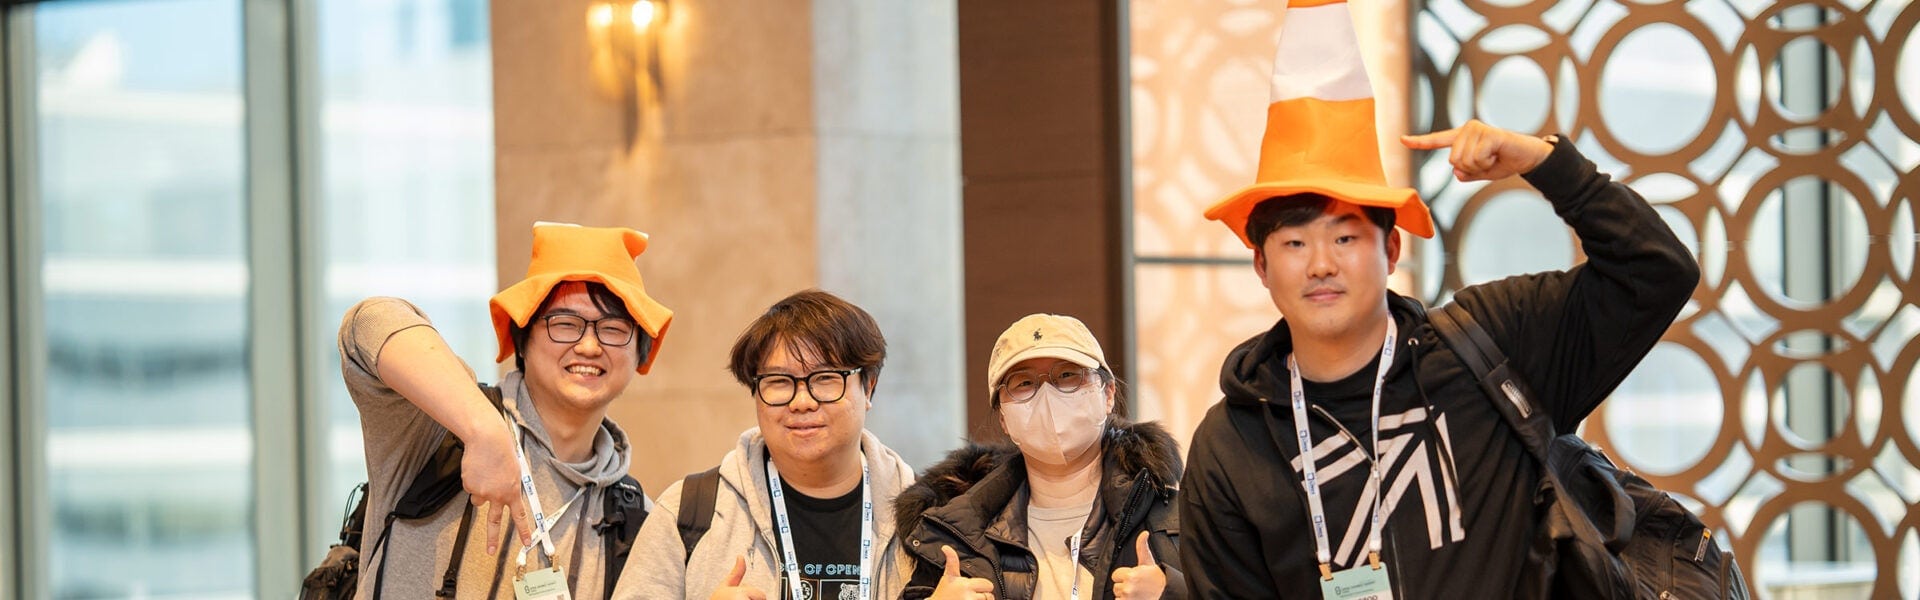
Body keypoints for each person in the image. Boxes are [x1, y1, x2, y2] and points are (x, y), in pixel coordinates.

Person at [1177, 1, 1700, 597]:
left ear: (1392, 249)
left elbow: (1656, 272)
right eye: (1295, 242)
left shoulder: (1495, 345)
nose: (1321, 264)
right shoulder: (1231, 444)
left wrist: (1546, 164)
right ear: (1262, 266)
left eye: (1345, 236)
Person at [338, 222, 674, 598]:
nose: (589, 346)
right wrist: (482, 429)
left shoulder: (635, 518)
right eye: (565, 324)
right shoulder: (438, 427)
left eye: (613, 328)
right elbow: (366, 323)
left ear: (640, 351)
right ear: (522, 337)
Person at [612, 289, 917, 600]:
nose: (801, 402)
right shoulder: (686, 512)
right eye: (780, 382)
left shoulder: (927, 519)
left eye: (825, 378)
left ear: (868, 387)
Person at [895, 313, 1185, 600]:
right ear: (1004, 419)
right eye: (1024, 383)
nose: (1047, 395)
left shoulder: (1172, 521)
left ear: (1108, 393)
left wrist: (1173, 593)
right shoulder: (958, 534)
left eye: (1068, 376)